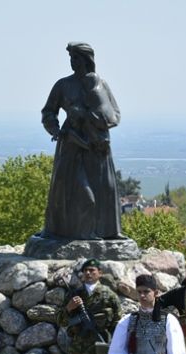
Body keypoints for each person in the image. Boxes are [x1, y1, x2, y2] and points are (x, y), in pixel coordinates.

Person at [40, 42, 122, 240]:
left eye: (76, 58)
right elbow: (48, 111)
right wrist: (56, 130)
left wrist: (88, 115)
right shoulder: (63, 85)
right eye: (71, 58)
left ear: (86, 60)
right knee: (78, 193)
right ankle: (72, 232)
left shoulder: (101, 85)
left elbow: (115, 115)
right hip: (72, 147)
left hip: (98, 148)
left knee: (106, 190)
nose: (72, 62)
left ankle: (108, 232)